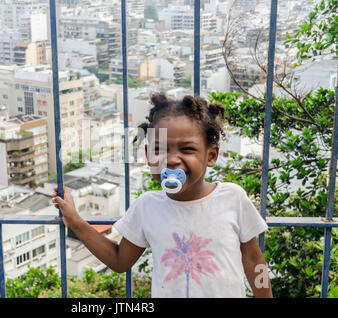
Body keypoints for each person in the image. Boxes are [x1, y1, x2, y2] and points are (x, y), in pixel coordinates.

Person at [52, 93, 273, 298]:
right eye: (160, 149)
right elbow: (120, 260)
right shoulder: (147, 207)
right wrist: (76, 222)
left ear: (211, 155)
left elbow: (254, 260)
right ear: (148, 155)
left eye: (187, 149)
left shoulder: (233, 198)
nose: (172, 160)